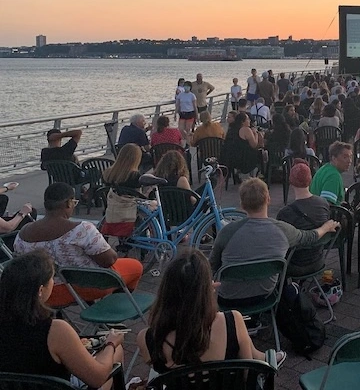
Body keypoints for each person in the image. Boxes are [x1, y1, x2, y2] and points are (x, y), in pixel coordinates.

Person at [139, 249, 285, 378]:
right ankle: (265, 358)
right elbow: (247, 374)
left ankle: (264, 357)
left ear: (165, 290)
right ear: (206, 289)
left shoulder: (147, 339)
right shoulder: (232, 320)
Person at [0, 251, 126, 389]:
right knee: (115, 351)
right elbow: (97, 378)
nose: (53, 282)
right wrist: (110, 344)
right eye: (52, 278)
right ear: (41, 290)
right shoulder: (56, 331)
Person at [210, 179, 339, 307]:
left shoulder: (227, 232)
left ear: (242, 205)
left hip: (228, 300)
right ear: (268, 200)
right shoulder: (283, 230)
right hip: (266, 296)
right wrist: (325, 228)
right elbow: (309, 237)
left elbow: (212, 265)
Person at [15, 182, 144, 308]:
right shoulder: (82, 229)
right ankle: (112, 312)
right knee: (135, 266)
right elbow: (109, 260)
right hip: (88, 288)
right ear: (68, 203)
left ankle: (68, 312)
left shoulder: (23, 233)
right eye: (74, 203)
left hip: (43, 294)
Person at [277, 160, 331, 277]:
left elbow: (281, 243)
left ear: (291, 182)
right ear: (310, 180)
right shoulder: (323, 204)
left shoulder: (285, 213)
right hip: (318, 262)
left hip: (294, 265)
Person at [221, 112, 264, 179]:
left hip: (233, 158)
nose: (249, 120)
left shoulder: (232, 129)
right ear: (242, 122)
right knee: (262, 154)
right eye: (247, 119)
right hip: (245, 159)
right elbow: (254, 145)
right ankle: (262, 173)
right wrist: (255, 133)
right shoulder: (246, 129)